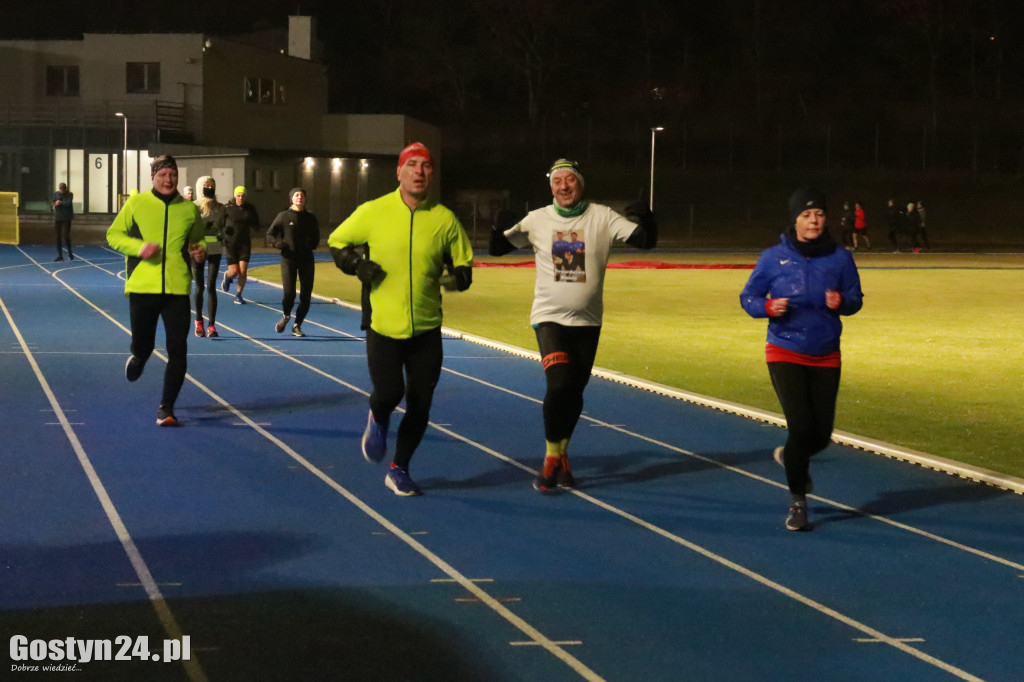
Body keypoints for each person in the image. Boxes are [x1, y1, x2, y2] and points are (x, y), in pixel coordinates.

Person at [489, 159, 657, 492]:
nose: (563, 186)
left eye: (569, 180)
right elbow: (496, 249)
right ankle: (552, 457)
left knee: (575, 394)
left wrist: (649, 219)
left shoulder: (602, 216)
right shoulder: (537, 219)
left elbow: (644, 240)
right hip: (549, 318)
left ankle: (562, 452)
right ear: (550, 187)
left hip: (589, 321)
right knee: (560, 384)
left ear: (580, 183)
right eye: (556, 181)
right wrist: (498, 226)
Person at [328, 142, 473, 496]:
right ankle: (377, 415)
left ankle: (399, 468)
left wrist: (458, 278)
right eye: (412, 165)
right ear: (399, 172)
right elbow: (337, 241)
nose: (419, 172)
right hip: (384, 326)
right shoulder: (374, 211)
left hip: (427, 328)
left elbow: (464, 264)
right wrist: (358, 265)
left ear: (432, 174)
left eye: (426, 166)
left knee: (421, 403)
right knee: (390, 393)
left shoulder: (444, 219)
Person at [740, 186, 863, 531]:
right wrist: (765, 307)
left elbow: (856, 298)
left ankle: (793, 458)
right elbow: (748, 296)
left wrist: (843, 302)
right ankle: (798, 501)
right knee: (801, 426)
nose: (814, 220)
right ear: (795, 220)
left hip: (826, 352)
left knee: (822, 434)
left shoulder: (840, 257)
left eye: (819, 214)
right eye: (807, 215)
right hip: (784, 349)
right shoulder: (772, 258)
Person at [106, 155, 206, 426]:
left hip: (176, 289)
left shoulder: (189, 210)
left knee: (178, 349)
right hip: (142, 287)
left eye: (172, 174)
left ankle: (167, 408)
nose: (168, 179)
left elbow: (197, 239)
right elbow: (113, 235)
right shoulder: (137, 203)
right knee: (145, 344)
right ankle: (138, 357)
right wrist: (139, 248)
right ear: (153, 177)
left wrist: (199, 251)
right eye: (162, 174)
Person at [267, 187, 320, 337]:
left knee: (306, 296)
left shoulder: (310, 217)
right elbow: (270, 234)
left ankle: (297, 325)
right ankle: (286, 316)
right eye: (296, 195)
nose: (299, 198)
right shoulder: (283, 216)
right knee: (289, 294)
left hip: (306, 259)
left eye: (302, 195)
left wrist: (312, 243)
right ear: (291, 199)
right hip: (288, 259)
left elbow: (316, 235)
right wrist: (277, 243)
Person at [191, 176, 226, 338]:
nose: (209, 187)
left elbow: (225, 226)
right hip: (198, 249)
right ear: (200, 187)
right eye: (206, 185)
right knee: (200, 286)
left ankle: (212, 324)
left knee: (211, 286)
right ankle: (199, 321)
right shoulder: (193, 207)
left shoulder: (220, 207)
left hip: (215, 249)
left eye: (212, 185)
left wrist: (223, 234)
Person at [221, 185, 260, 304]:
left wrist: (254, 224)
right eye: (238, 195)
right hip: (231, 244)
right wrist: (223, 232)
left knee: (243, 271)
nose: (240, 198)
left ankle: (238, 295)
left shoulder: (250, 208)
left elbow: (256, 224)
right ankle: (227, 277)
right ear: (235, 196)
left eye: (243, 196)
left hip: (244, 244)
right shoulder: (227, 208)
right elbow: (220, 223)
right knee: (234, 272)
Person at [52, 182, 74, 261]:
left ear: (66, 188)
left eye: (63, 189)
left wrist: (60, 203)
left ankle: (70, 253)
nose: (61, 191)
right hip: (58, 217)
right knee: (58, 236)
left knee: (66, 236)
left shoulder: (70, 194)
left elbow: (68, 203)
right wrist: (55, 203)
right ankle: (60, 255)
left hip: (67, 218)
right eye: (60, 189)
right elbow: (53, 202)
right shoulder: (56, 194)